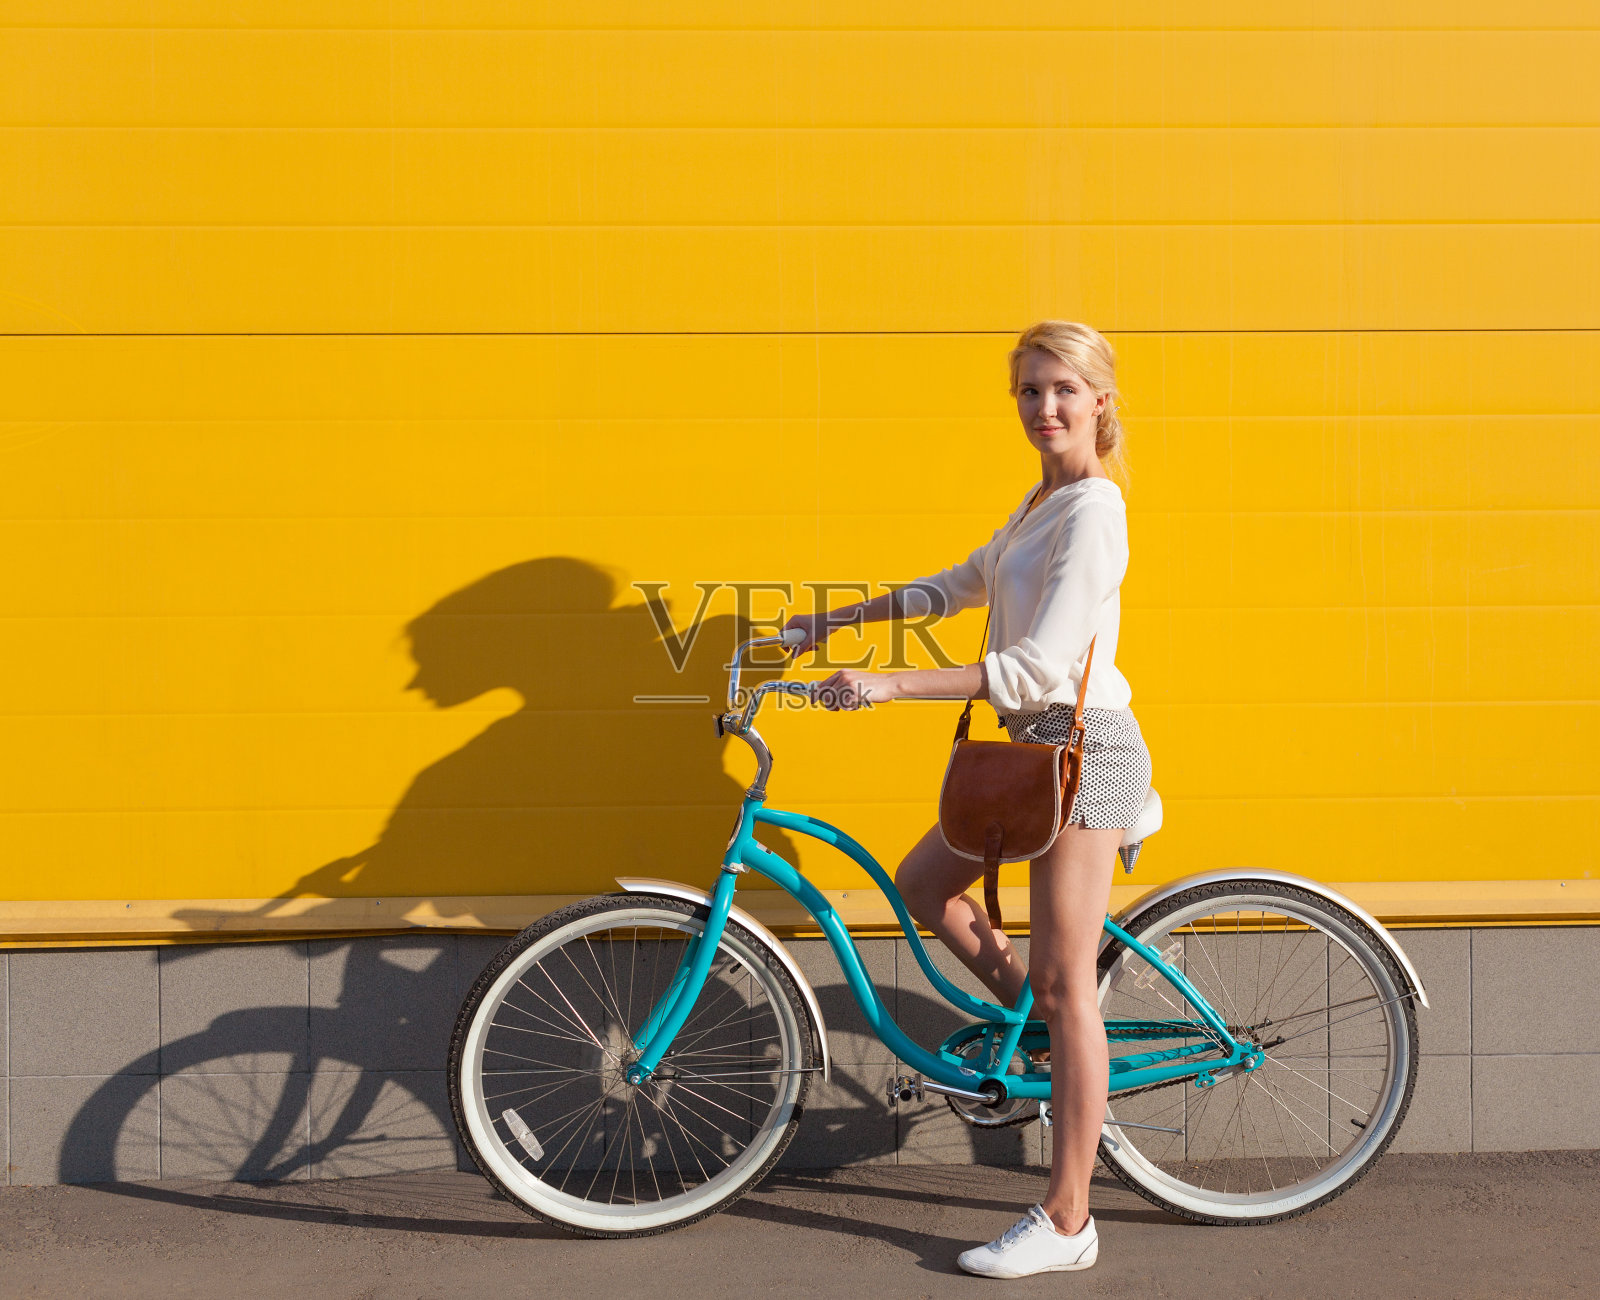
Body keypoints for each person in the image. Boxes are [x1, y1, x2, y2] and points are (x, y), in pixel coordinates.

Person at [781, 319, 1151, 1279]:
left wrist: (893, 686)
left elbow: (1035, 669)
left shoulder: (1095, 511)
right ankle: (1045, 1043)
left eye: (1064, 389)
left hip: (1082, 753)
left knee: (1073, 988)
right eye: (1029, 391)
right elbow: (962, 584)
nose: (1045, 408)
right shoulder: (1043, 502)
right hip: (1029, 756)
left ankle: (1070, 1220)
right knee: (923, 884)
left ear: (1101, 400)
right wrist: (840, 620)